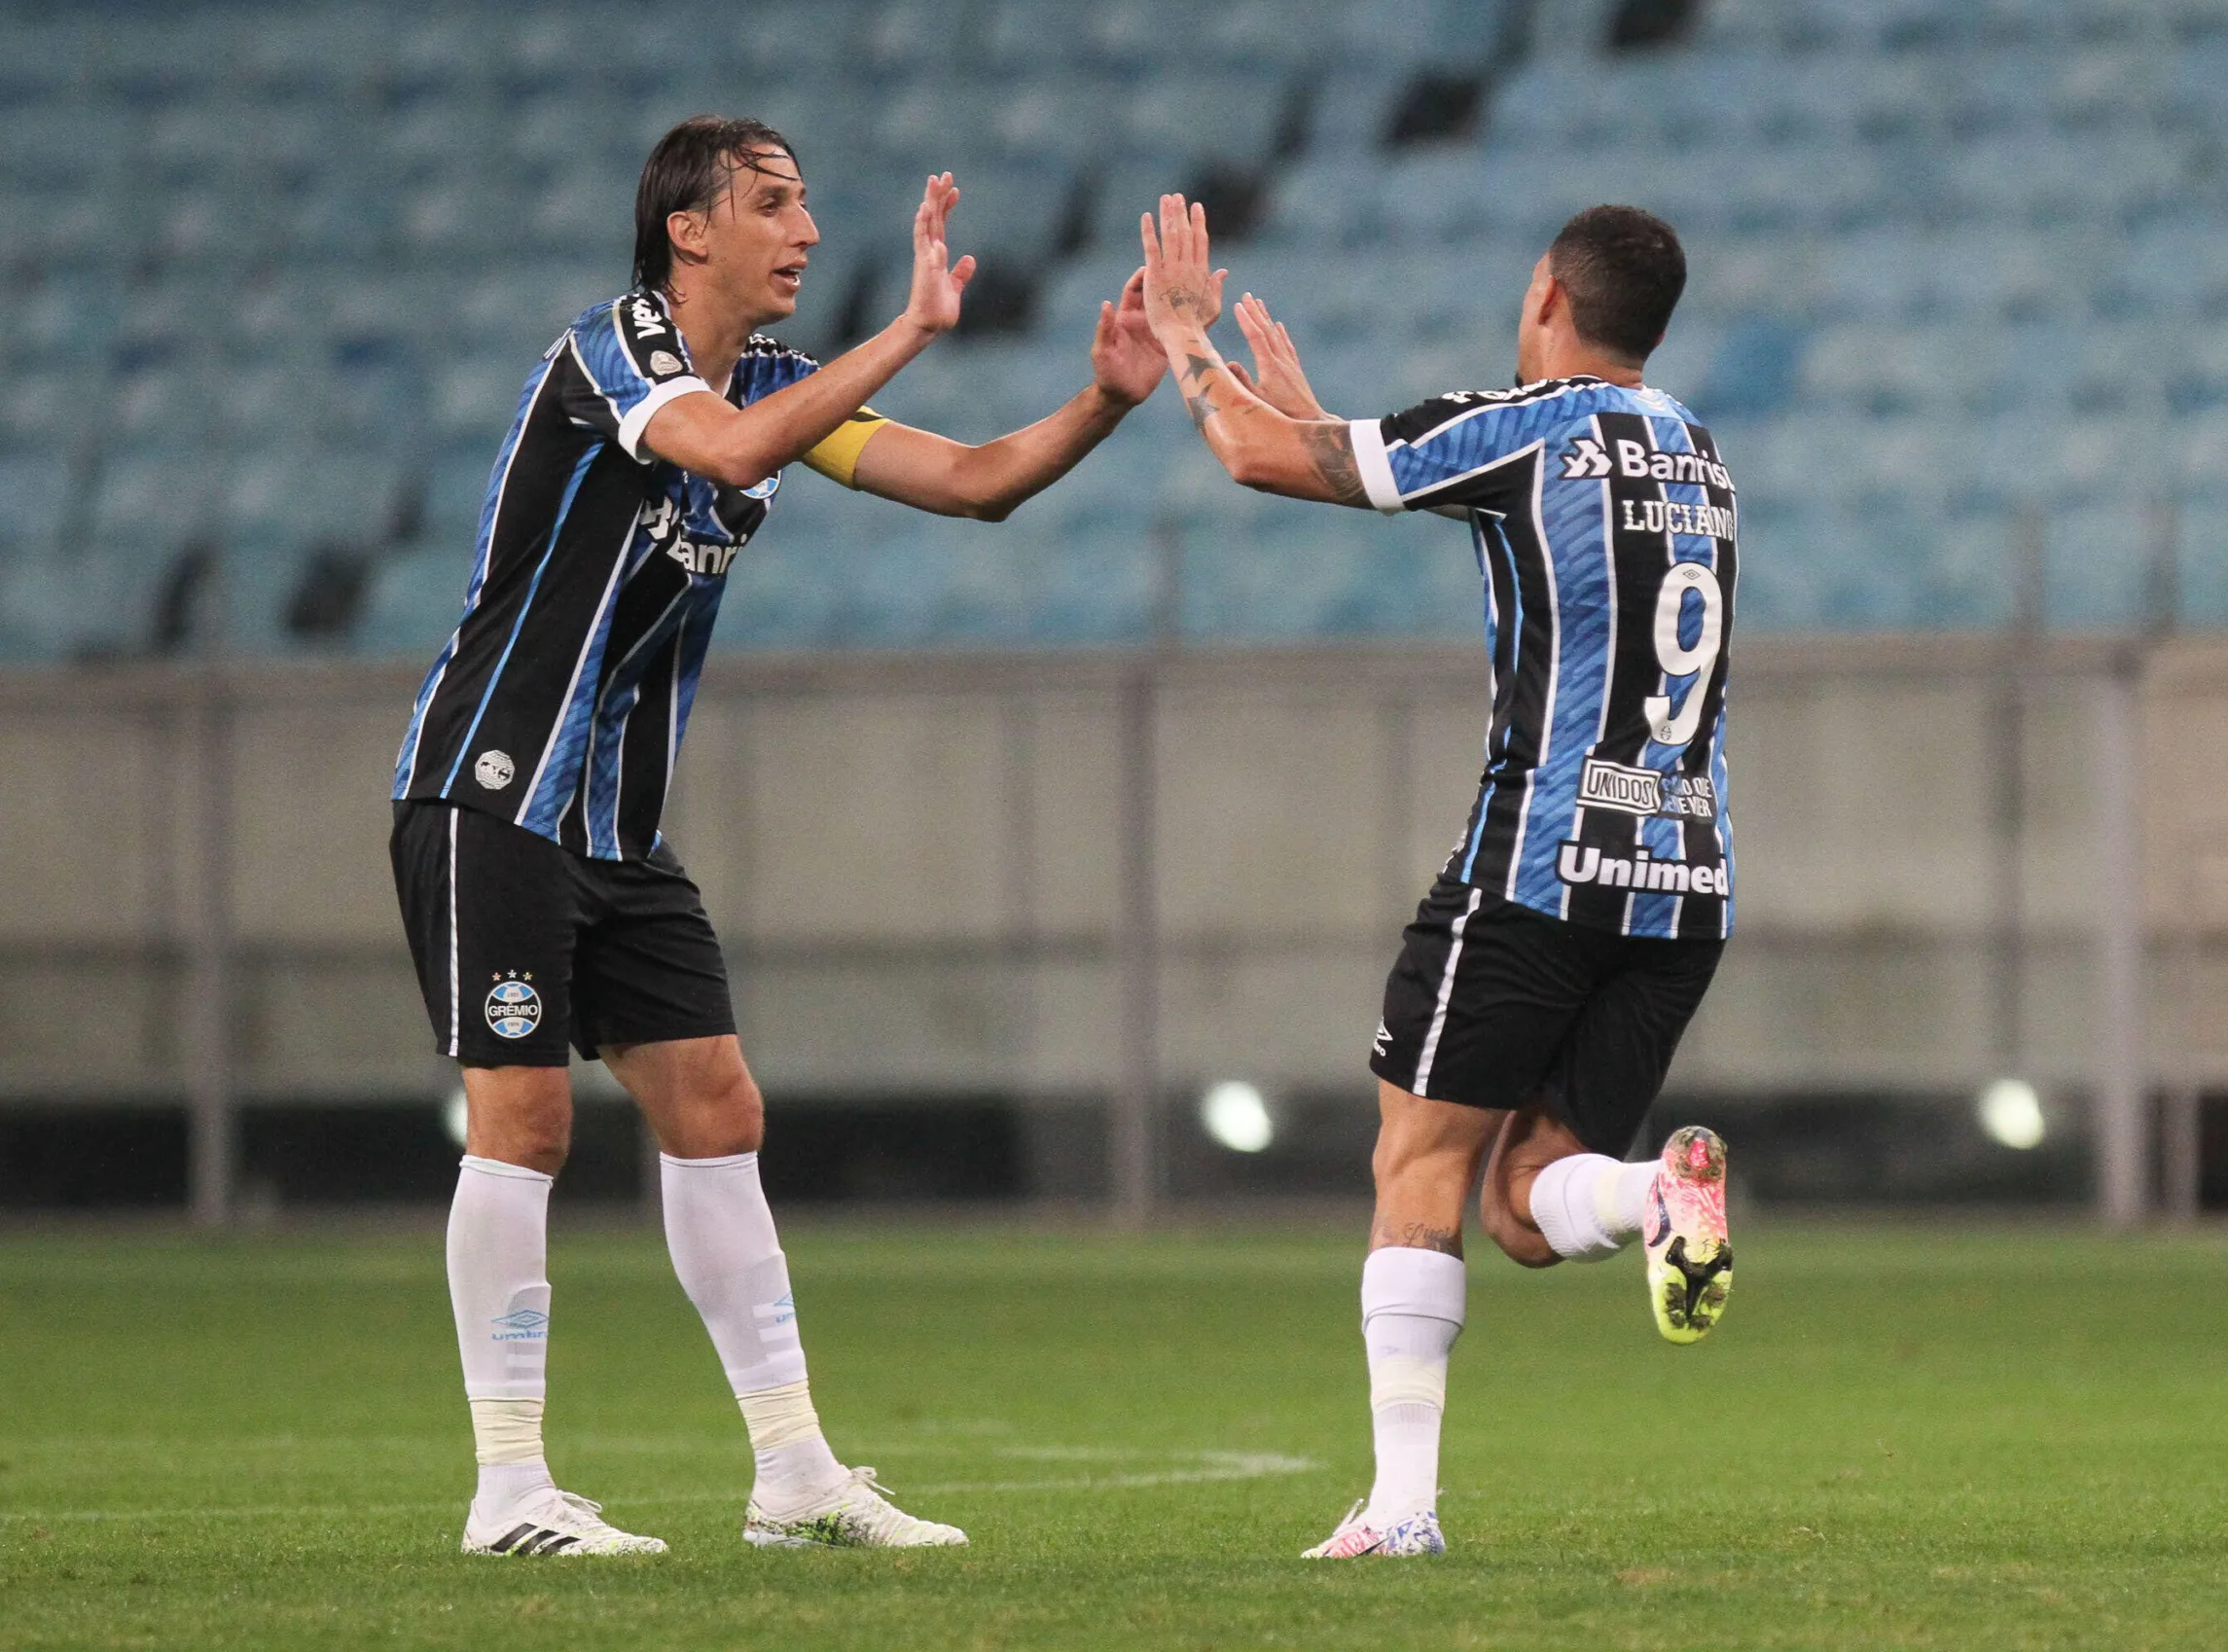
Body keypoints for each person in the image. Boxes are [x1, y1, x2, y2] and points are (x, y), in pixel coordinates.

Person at [388, 116, 1166, 1558]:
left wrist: (1103, 404)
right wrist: (912, 329)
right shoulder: (615, 350)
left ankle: (796, 1475)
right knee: (527, 1120)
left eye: (805, 202)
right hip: (492, 789)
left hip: (615, 824)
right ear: (689, 231)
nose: (805, 230)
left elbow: (976, 483)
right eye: (772, 202)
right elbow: (736, 448)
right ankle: (507, 1490)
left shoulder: (773, 383)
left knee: (719, 1110)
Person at [1137, 194, 1738, 1559]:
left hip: (1535, 871)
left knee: (1418, 1165)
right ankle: (1653, 1192)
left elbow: (1250, 456)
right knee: (1528, 1206)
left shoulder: (1524, 426)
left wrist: (1185, 339)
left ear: (1548, 298)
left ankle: (1403, 1511)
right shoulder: (1698, 450)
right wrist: (1320, 420)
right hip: (1683, 882)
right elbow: (1430, 483)